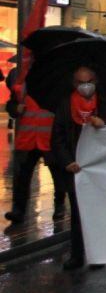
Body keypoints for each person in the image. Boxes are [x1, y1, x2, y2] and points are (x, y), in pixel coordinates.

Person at [50, 66, 106, 270]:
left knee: (99, 212)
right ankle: (77, 255)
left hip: (101, 167)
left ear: (96, 81)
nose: (85, 86)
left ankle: (97, 254)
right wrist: (67, 161)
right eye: (81, 82)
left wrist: (105, 123)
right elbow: (58, 136)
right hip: (77, 168)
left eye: (89, 81)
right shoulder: (65, 106)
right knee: (78, 213)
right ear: (74, 84)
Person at [5, 82, 66, 224]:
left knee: (58, 176)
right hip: (28, 139)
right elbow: (11, 106)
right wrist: (15, 109)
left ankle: (59, 206)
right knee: (22, 178)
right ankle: (19, 210)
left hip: (49, 140)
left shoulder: (58, 87)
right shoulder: (22, 87)